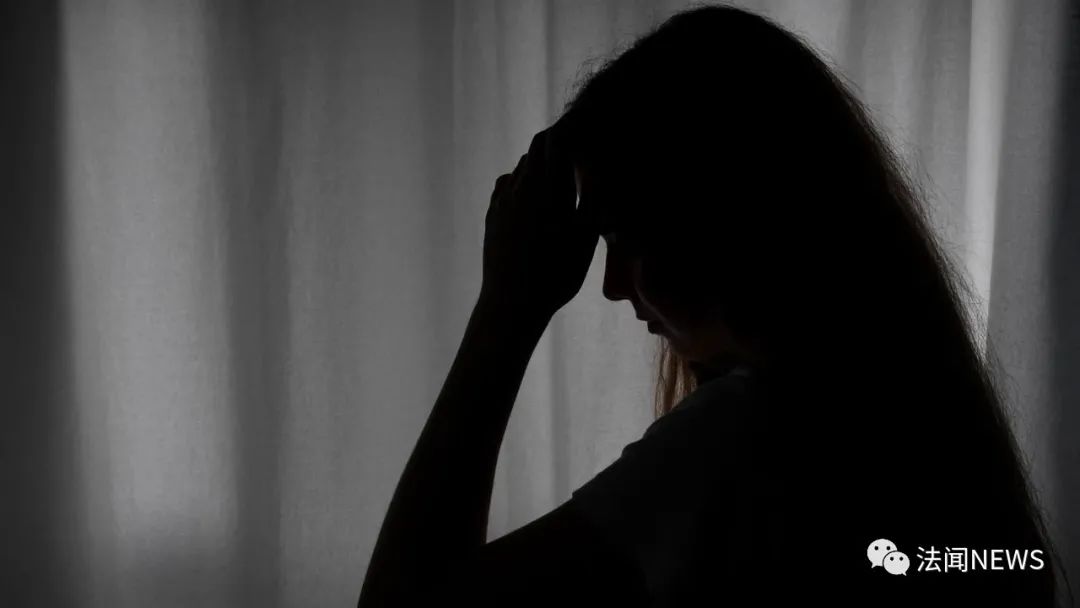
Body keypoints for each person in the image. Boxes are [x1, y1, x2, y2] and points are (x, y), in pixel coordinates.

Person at [357, 4, 1065, 607]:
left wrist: (505, 314)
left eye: (622, 236)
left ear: (712, 221)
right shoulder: (917, 420)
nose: (610, 286)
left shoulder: (741, 442)